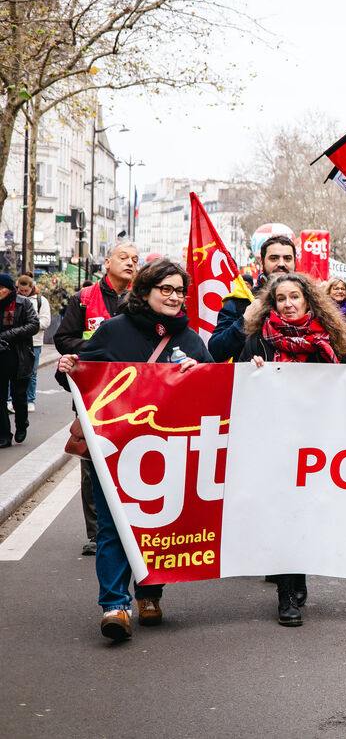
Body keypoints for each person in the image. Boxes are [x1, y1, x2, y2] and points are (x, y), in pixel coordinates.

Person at [56, 258, 212, 641]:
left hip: (165, 453)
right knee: (112, 527)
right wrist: (67, 367)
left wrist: (199, 374)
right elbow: (83, 377)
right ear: (145, 291)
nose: (174, 297)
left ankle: (149, 594)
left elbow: (212, 393)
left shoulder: (191, 340)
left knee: (154, 527)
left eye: (180, 291)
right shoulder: (113, 331)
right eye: (166, 289)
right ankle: (114, 605)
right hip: (115, 450)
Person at [241, 271, 346, 626]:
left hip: (316, 443)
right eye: (281, 299)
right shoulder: (259, 341)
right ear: (272, 305)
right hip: (274, 442)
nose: (288, 304)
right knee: (283, 513)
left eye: (294, 297)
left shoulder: (330, 339)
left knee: (305, 513)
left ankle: (298, 573)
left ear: (308, 301)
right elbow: (240, 387)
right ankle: (286, 595)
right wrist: (252, 372)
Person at [54, 240, 140, 555]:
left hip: (135, 394)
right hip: (93, 393)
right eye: (123, 257)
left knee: (133, 459)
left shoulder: (143, 299)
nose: (130, 263)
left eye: (135, 259)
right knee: (93, 463)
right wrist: (99, 350)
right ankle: (98, 533)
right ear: (107, 262)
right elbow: (63, 338)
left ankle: (134, 526)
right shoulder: (83, 299)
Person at [209, 234, 297, 362]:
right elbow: (215, 352)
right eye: (274, 258)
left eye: (287, 258)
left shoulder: (309, 301)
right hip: (250, 374)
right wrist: (244, 322)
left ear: (295, 262)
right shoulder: (241, 301)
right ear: (262, 262)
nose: (281, 264)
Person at [0, 275, 40, 447]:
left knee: (19, 397)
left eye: (2, 288)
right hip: (1, 357)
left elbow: (34, 325)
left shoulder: (23, 303)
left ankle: (22, 424)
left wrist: (9, 335)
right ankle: (4, 434)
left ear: (10, 289)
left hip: (19, 357)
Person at [16, 275, 50, 413]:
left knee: (32, 372)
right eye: (21, 290)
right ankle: (11, 400)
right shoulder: (14, 299)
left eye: (26, 290)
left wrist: (28, 327)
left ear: (32, 287)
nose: (23, 293)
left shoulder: (41, 301)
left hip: (34, 341)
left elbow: (46, 321)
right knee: (12, 371)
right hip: (16, 340)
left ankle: (30, 400)